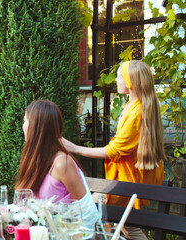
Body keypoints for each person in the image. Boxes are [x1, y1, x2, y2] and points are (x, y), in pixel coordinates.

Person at [62, 60, 166, 239]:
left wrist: (74, 147)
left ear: (130, 82)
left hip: (127, 179)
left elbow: (113, 151)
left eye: (119, 77)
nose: (116, 81)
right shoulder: (133, 105)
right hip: (127, 177)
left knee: (92, 209)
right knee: (126, 226)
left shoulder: (137, 112)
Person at [16, 100, 98, 230]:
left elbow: (88, 215)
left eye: (25, 121)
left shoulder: (62, 164)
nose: (23, 126)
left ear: (36, 127)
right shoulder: (36, 160)